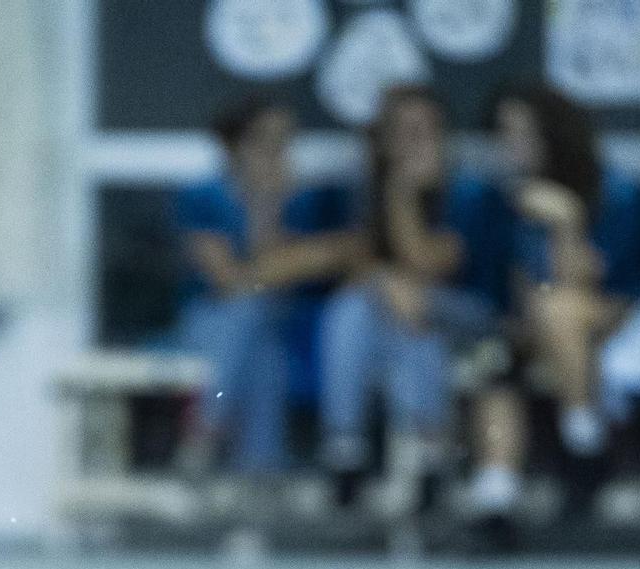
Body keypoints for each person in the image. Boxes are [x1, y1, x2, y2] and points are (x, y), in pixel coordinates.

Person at [462, 85, 640, 552]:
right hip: (535, 328)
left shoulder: (612, 192)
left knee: (559, 308)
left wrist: (567, 224)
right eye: (505, 134)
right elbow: (502, 289)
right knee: (496, 364)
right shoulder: (496, 201)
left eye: (524, 133)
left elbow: (606, 289)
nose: (513, 145)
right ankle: (497, 495)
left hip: (615, 320)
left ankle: (584, 436)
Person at [318, 84, 493, 511]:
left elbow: (427, 265)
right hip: (404, 320)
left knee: (405, 308)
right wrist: (382, 279)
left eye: (424, 132)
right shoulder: (363, 189)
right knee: (356, 312)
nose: (414, 143)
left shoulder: (469, 193)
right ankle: (357, 452)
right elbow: (349, 262)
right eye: (403, 132)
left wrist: (401, 194)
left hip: (473, 311)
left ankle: (408, 450)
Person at [175, 99, 358, 474]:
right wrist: (272, 243)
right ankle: (259, 462)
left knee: (260, 327)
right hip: (212, 322)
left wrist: (270, 209)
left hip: (282, 323)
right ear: (237, 145)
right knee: (251, 319)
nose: (276, 153)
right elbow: (227, 281)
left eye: (284, 141)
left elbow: (319, 263)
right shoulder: (203, 195)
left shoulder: (307, 201)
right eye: (264, 141)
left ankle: (208, 435)